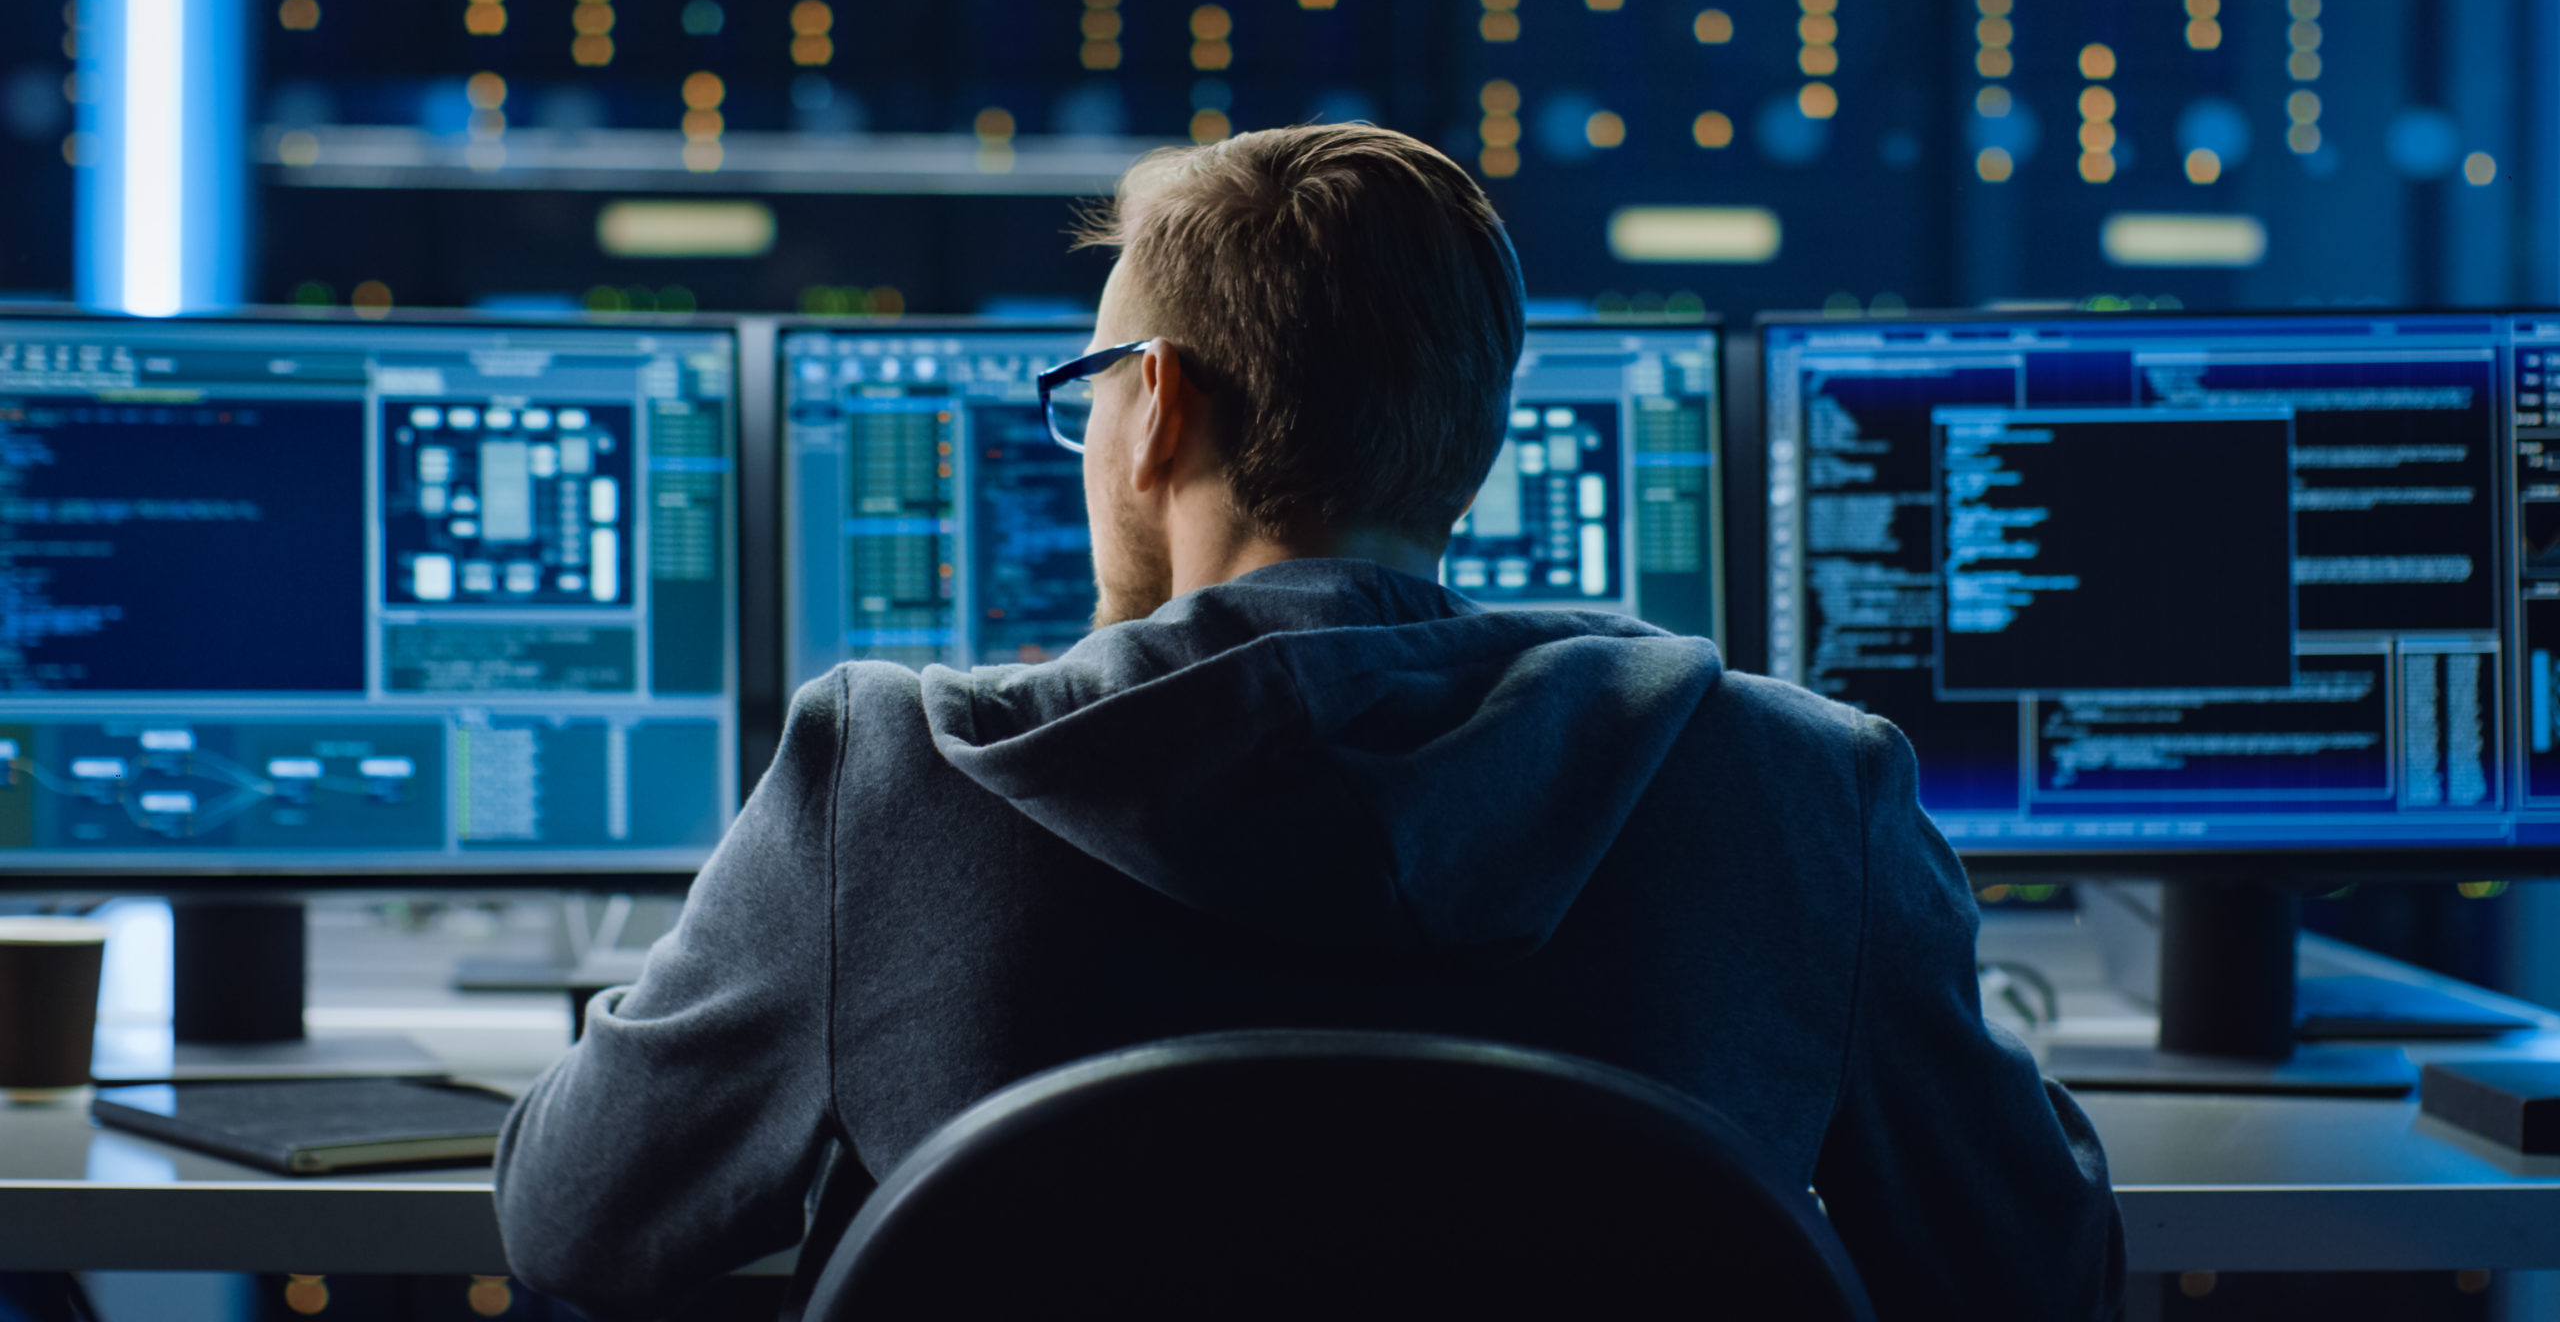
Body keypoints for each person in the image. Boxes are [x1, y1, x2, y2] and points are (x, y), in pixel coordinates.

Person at [494, 123, 2124, 1319]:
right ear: (1477, 437)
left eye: (1091, 388)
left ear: (1162, 415)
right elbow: (2034, 1274)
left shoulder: (890, 783)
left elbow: (571, 1223)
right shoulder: (1801, 789)